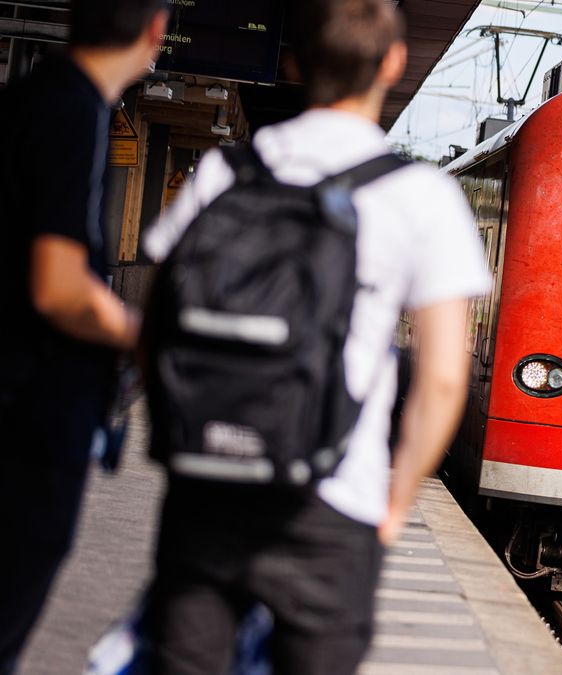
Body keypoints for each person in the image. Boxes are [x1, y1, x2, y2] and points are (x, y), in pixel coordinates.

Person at [139, 1, 491, 672]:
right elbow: (445, 377)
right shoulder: (419, 196)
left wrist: (184, 437)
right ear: (392, 63)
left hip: (208, 492)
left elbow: (156, 324)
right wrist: (392, 505)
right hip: (334, 499)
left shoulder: (224, 173)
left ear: (292, 62)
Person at [0, 2, 167, 671]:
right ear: (155, 32)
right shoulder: (74, 111)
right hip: (29, 419)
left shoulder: (28, 101)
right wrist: (145, 333)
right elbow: (60, 287)